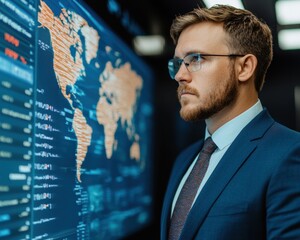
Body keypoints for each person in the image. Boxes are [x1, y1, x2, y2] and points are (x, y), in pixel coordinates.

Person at [160, 4, 300, 240]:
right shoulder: (185, 160)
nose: (180, 75)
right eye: (178, 63)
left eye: (196, 58)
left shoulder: (290, 154)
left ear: (244, 67)